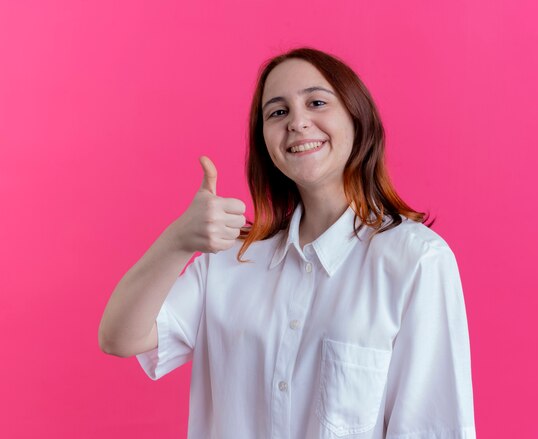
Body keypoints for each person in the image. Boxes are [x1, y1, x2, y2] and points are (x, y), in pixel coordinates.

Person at [98, 47, 476, 439]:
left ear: (357, 118)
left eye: (316, 102)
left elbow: (434, 427)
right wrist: (178, 240)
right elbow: (119, 338)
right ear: (265, 142)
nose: (297, 122)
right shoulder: (229, 261)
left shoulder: (415, 261)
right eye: (277, 112)